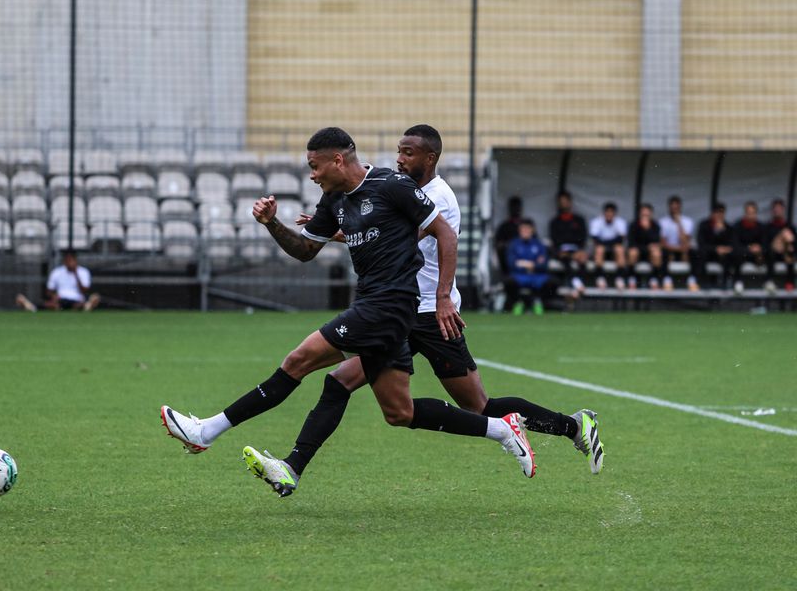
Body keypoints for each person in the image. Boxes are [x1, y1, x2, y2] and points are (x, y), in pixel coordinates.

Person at [239, 126, 603, 497]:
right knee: (341, 381)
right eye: (399, 151)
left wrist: (442, 296)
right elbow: (377, 230)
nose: (400, 159)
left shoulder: (438, 197)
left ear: (430, 158)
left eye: (409, 153)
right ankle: (292, 467)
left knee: (479, 406)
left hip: (430, 313)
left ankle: (572, 426)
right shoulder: (400, 188)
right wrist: (330, 227)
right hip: (402, 310)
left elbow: (392, 237)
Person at [160, 127, 538, 482]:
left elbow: (445, 233)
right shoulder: (334, 200)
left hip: (388, 307)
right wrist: (272, 224)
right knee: (399, 412)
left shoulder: (391, 185)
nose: (311, 175)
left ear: (337, 160)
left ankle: (207, 431)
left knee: (297, 362)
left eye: (314, 166)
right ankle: (502, 429)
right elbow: (306, 250)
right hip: (380, 310)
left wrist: (442, 298)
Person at [15, 249, 100, 311]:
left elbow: (84, 290)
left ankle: (85, 307)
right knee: (50, 304)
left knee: (81, 304)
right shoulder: (57, 272)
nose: (69, 263)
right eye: (67, 260)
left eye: (71, 260)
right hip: (60, 300)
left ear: (75, 260)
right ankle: (31, 307)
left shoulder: (83, 272)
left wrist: (75, 273)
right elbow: (49, 291)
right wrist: (54, 296)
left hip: (76, 300)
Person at [505, 219, 559, 314]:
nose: (525, 231)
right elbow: (511, 264)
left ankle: (537, 301)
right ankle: (519, 301)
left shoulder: (539, 244)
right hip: (519, 275)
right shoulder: (514, 244)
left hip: (537, 275)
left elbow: (543, 264)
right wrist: (531, 264)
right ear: (519, 230)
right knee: (508, 282)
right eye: (523, 229)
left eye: (527, 229)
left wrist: (524, 263)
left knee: (553, 282)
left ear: (532, 230)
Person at [548, 191, 588, 295]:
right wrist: (566, 251)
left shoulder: (579, 220)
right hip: (561, 251)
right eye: (561, 202)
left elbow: (582, 237)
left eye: (565, 201)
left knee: (582, 257)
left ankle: (579, 283)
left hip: (576, 249)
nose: (563, 204)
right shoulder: (555, 221)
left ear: (570, 202)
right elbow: (555, 239)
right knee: (565, 256)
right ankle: (575, 284)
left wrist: (577, 250)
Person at [658, 195, 700, 291]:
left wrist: (679, 224)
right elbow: (663, 243)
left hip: (683, 250)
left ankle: (692, 280)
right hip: (670, 250)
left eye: (676, 208)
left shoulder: (687, 221)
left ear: (680, 208)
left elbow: (685, 241)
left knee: (694, 253)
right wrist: (678, 249)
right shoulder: (663, 222)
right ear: (669, 208)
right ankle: (666, 280)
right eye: (672, 208)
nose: (674, 210)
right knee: (663, 252)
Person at [588, 201, 627, 290]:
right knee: (600, 249)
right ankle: (600, 278)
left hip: (613, 252)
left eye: (611, 212)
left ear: (615, 213)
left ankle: (619, 278)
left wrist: (606, 243)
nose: (609, 214)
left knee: (619, 249)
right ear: (604, 212)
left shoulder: (620, 222)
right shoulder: (596, 221)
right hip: (601, 250)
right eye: (607, 212)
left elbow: (620, 239)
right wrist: (607, 243)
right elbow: (595, 239)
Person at [696, 202, 735, 289]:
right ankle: (704, 282)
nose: (719, 215)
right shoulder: (704, 225)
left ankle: (725, 283)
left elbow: (732, 244)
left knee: (730, 257)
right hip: (708, 254)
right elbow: (701, 244)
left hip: (722, 256)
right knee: (701, 254)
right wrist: (715, 249)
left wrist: (722, 232)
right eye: (717, 212)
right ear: (712, 213)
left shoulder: (728, 228)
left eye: (721, 213)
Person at [626, 203, 664, 289]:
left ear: (651, 214)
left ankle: (654, 279)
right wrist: (646, 247)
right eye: (643, 214)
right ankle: (632, 278)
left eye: (647, 214)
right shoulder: (633, 225)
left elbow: (656, 241)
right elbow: (631, 243)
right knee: (633, 252)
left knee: (656, 253)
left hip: (649, 254)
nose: (645, 216)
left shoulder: (655, 226)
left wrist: (647, 229)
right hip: (638, 252)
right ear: (640, 214)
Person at [733, 201, 765, 294]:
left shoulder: (761, 227)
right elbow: (735, 245)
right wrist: (749, 248)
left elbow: (765, 243)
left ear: (756, 214)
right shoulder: (738, 226)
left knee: (768, 253)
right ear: (745, 213)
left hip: (757, 256)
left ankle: (768, 282)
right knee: (736, 255)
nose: (750, 215)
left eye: (753, 213)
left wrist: (759, 248)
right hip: (743, 254)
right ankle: (738, 282)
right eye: (748, 213)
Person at [764, 199, 796, 292]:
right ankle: (769, 281)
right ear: (772, 211)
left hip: (786, 255)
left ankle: (790, 283)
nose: (777, 211)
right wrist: (778, 240)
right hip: (772, 255)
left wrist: (789, 244)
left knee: (791, 254)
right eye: (775, 209)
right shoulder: (768, 227)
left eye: (779, 209)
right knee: (770, 253)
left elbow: (794, 244)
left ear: (783, 210)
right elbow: (765, 244)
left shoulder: (790, 226)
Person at [494, 196, 523, 274]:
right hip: (510, 254)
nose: (516, 210)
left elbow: (535, 241)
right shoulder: (504, 226)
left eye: (518, 207)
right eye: (514, 207)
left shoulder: (526, 224)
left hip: (525, 253)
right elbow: (498, 244)